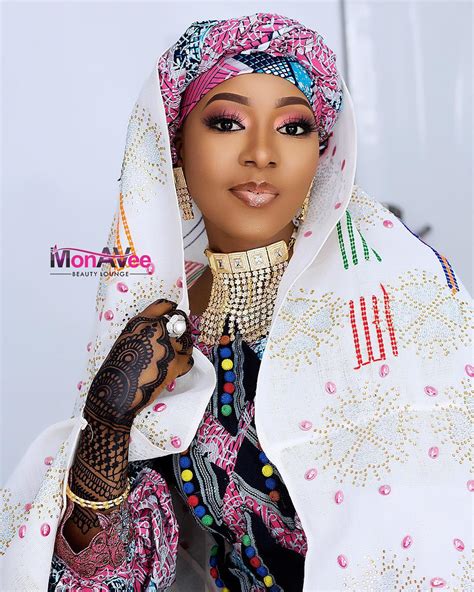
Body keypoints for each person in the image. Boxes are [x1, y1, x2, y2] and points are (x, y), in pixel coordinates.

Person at [1, 12, 472, 592]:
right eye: (227, 122)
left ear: (323, 153)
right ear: (176, 147)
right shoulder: (162, 334)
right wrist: (107, 425)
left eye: (293, 127)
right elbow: (112, 578)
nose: (262, 153)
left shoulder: (397, 300)